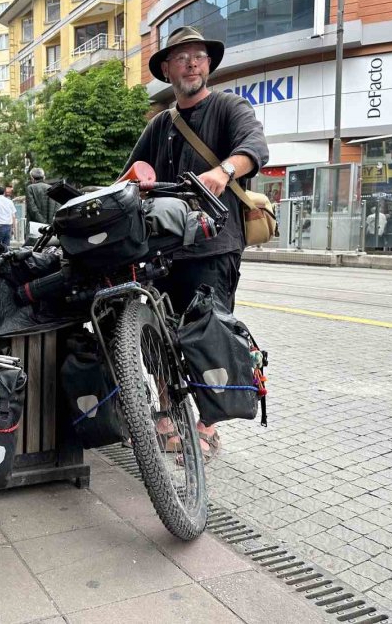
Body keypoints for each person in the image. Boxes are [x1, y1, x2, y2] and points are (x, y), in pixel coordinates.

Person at [123, 26, 268, 461]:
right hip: (163, 252)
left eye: (199, 56)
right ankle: (168, 413)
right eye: (181, 57)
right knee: (159, 336)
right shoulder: (160, 124)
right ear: (167, 69)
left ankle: (206, 426)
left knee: (209, 335)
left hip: (214, 246)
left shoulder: (228, 107)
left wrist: (224, 171)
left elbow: (255, 147)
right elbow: (129, 173)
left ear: (208, 65)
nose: (191, 64)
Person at [25, 167, 59, 235]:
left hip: (35, 227)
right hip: (51, 227)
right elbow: (57, 207)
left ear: (32, 178)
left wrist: (43, 223)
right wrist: (49, 223)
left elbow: (32, 209)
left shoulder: (30, 188)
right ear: (44, 177)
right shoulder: (52, 188)